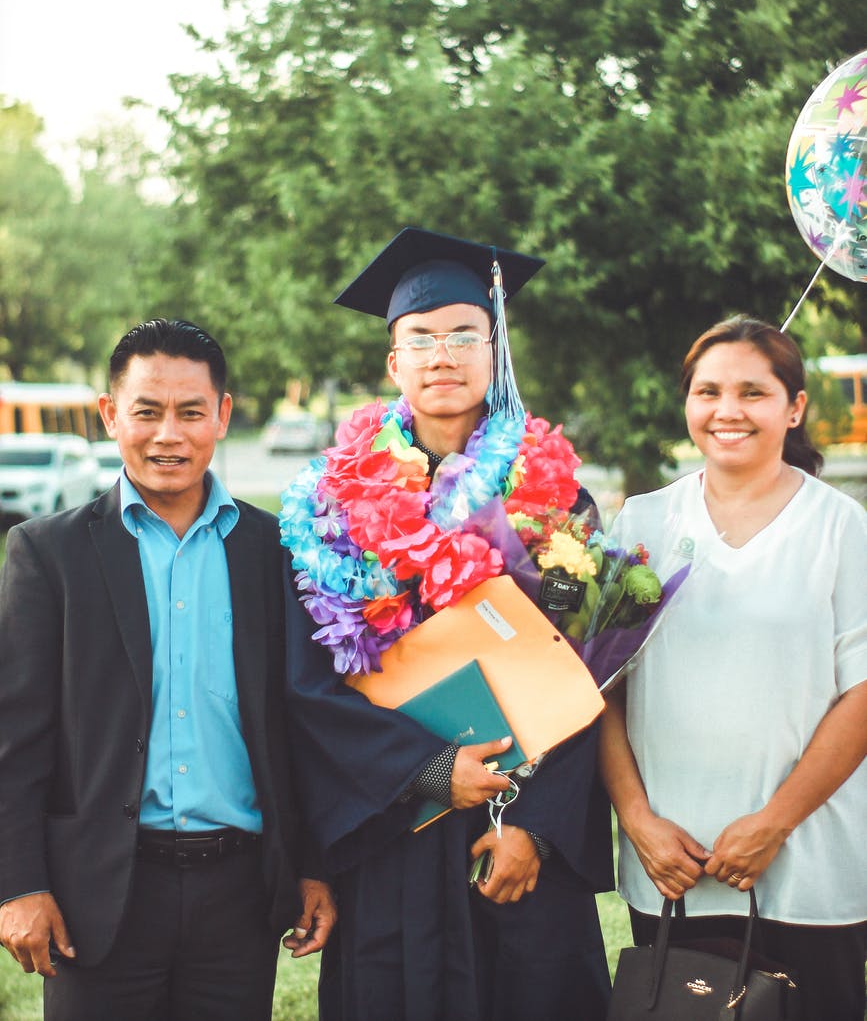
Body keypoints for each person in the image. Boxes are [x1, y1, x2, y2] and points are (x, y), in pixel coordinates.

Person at [281, 228, 613, 1021]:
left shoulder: (555, 498)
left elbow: (594, 667)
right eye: (420, 339)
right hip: (393, 834)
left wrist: (535, 827)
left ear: (494, 350)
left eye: (465, 334)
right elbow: (306, 685)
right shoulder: (330, 509)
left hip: (519, 837)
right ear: (392, 362)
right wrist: (428, 771)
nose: (443, 355)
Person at [0, 318, 336, 1021]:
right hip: (97, 892)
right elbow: (15, 739)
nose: (167, 435)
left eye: (190, 412)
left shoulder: (276, 551)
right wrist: (17, 884)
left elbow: (299, 725)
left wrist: (311, 864)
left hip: (240, 895)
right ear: (109, 415)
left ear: (223, 415)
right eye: (146, 412)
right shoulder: (47, 555)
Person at [600, 315, 867, 1021]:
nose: (727, 411)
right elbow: (599, 689)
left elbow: (862, 695)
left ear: (794, 407)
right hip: (671, 867)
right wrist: (636, 820)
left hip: (806, 864)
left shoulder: (842, 528)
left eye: (753, 392)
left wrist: (774, 823)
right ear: (686, 403)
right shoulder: (639, 525)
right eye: (708, 391)